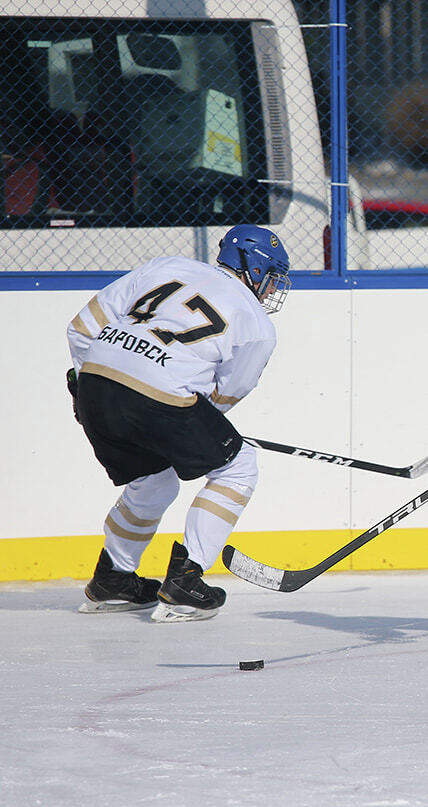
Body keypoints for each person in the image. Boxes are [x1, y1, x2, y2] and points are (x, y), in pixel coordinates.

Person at [66, 224, 290, 622]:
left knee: (154, 479)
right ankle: (186, 582)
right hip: (161, 397)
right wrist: (194, 421)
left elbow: (81, 328)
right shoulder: (256, 323)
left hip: (97, 385)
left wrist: (88, 385)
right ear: (253, 270)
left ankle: (113, 581)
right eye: (271, 279)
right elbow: (226, 395)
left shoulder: (165, 266)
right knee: (238, 467)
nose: (272, 291)